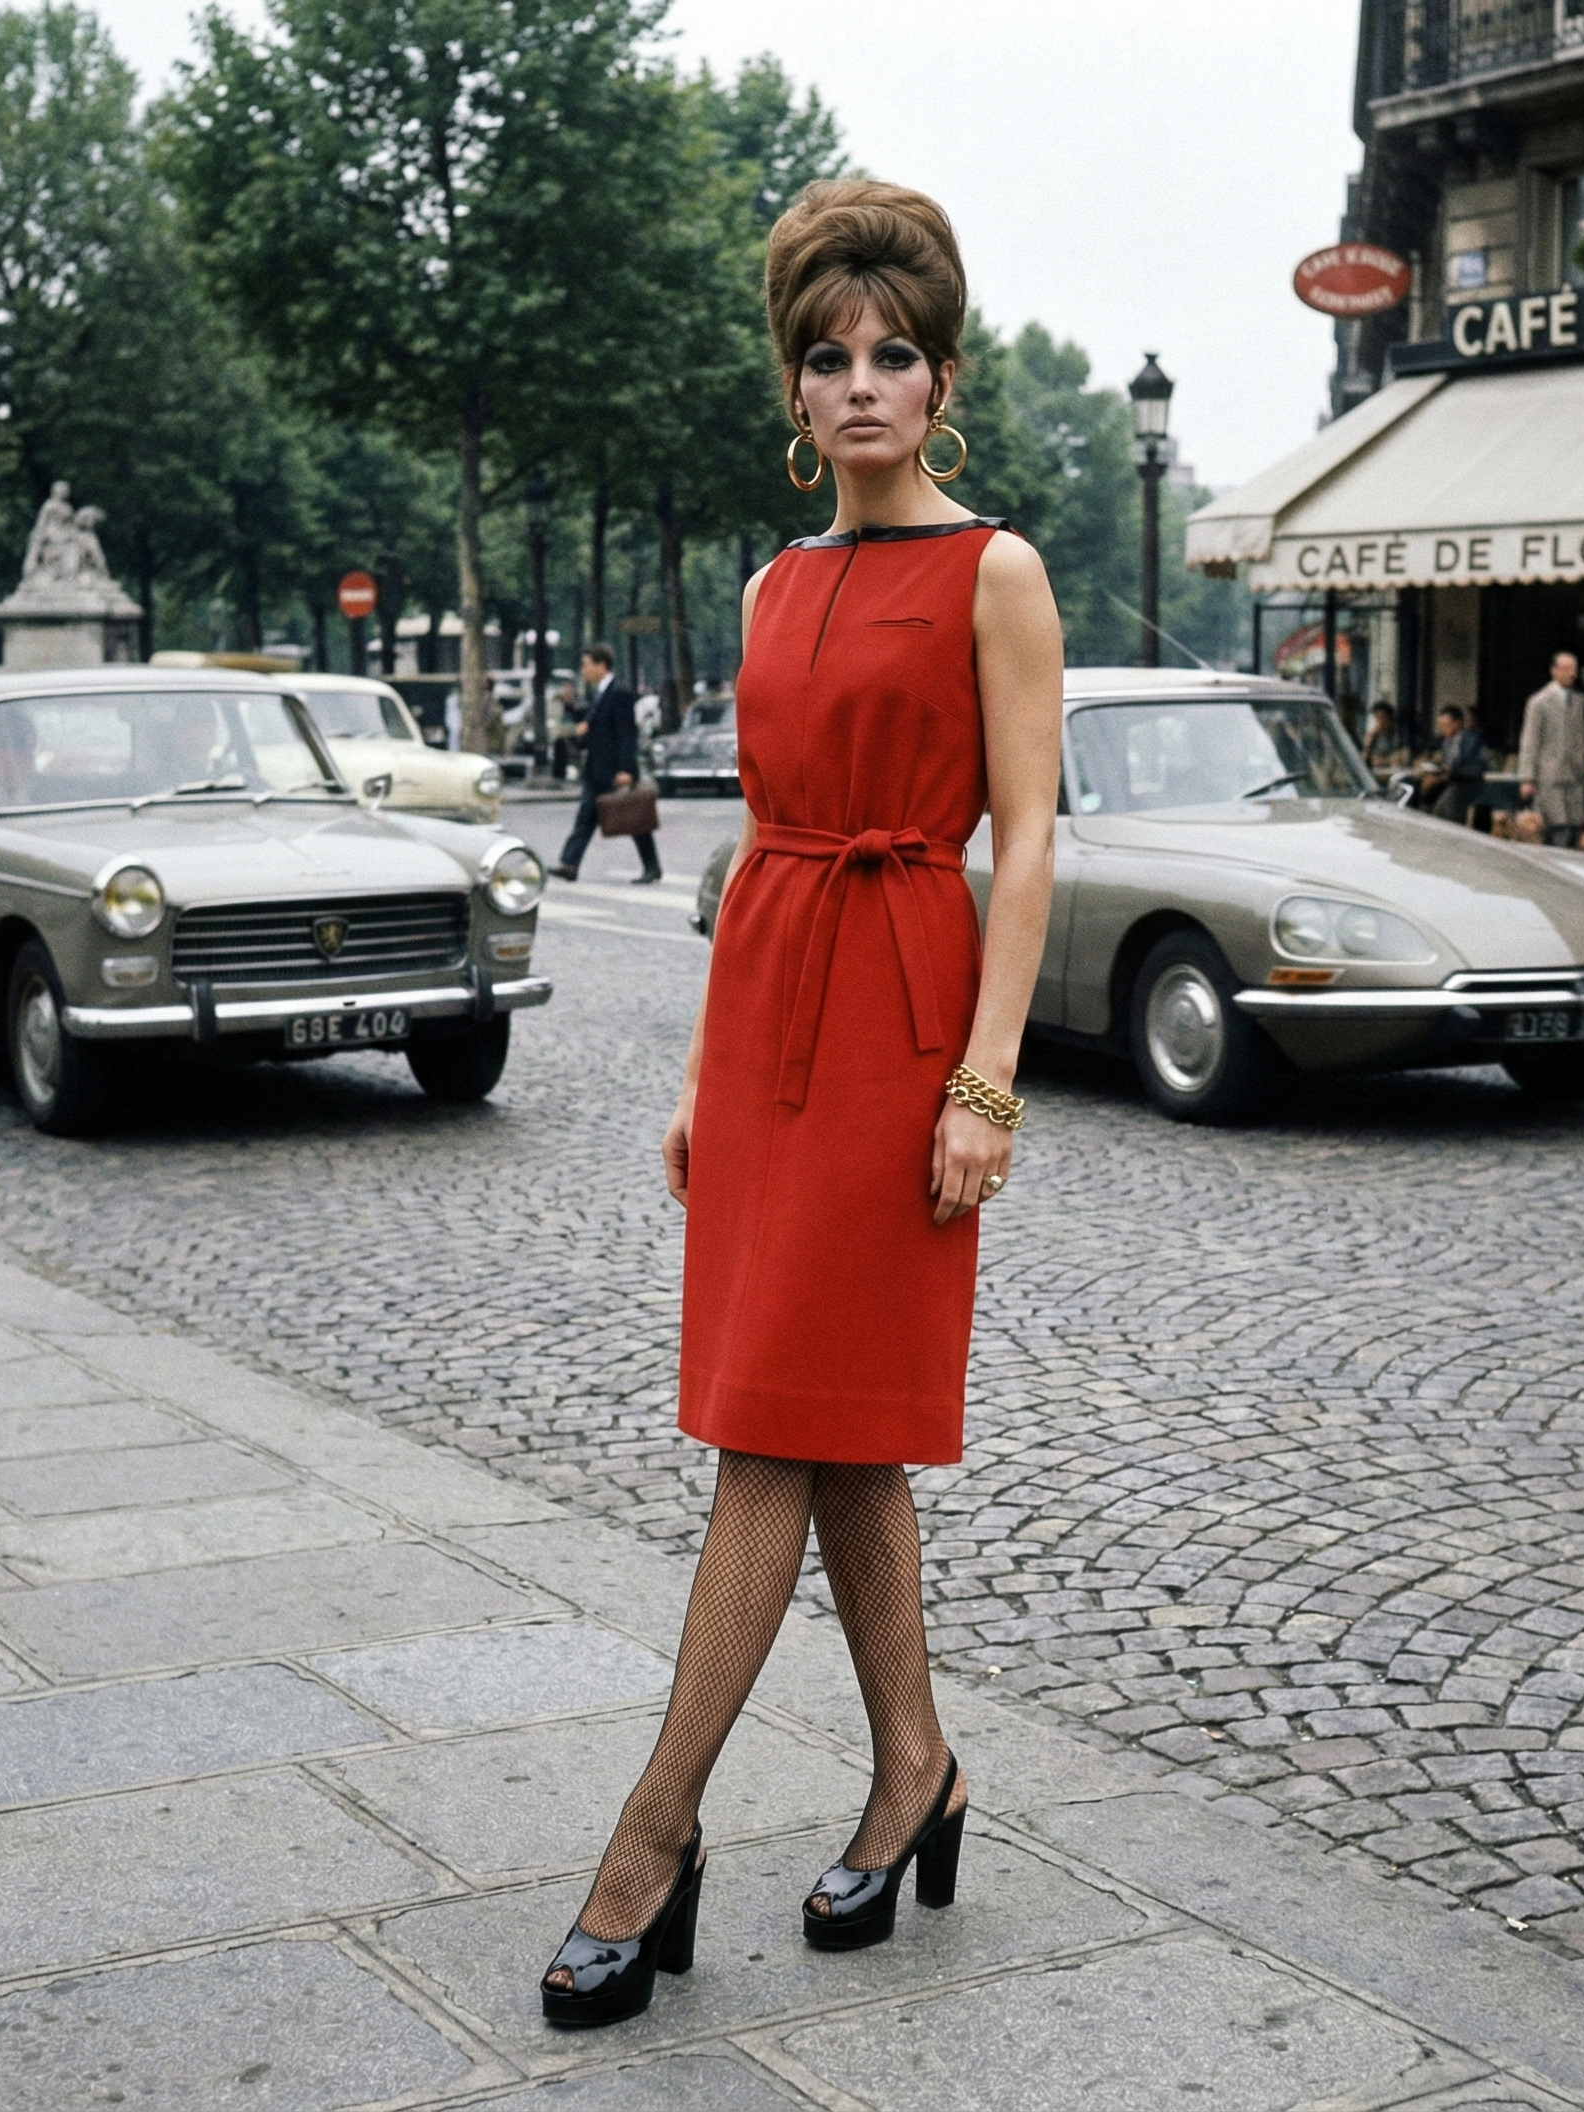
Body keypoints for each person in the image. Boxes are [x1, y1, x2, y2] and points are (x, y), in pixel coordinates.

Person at [537, 179, 1061, 2031]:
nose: (859, 386)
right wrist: (698, 1074)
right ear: (794, 385)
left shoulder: (993, 568)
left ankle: (650, 1835)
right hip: (769, 1018)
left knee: (773, 1429)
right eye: (828, 358)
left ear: (939, 380)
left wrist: (983, 1081)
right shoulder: (770, 582)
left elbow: (1030, 841)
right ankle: (915, 1766)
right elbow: (756, 837)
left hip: (908, 1014)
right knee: (830, 1426)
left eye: (891, 356)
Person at [553, 643, 659, 883]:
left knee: (634, 818)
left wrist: (626, 768)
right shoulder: (600, 692)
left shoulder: (618, 692)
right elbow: (596, 724)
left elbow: (626, 733)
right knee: (585, 818)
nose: (583, 670)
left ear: (602, 665)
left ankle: (652, 867)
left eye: (586, 665)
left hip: (612, 770)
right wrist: (572, 708)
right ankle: (569, 864)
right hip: (596, 768)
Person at [1518, 650, 1584, 847]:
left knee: (1574, 827)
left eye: (1574, 669)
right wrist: (1527, 778)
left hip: (1574, 774)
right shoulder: (1539, 702)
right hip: (1549, 774)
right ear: (1554, 671)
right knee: (1556, 827)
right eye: (1566, 669)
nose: (1571, 674)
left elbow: (1581, 736)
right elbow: (1530, 741)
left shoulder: (1578, 701)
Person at [1422, 705, 1486, 823]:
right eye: (1441, 726)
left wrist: (1449, 772)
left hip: (1468, 784)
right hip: (1450, 781)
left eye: (1446, 725)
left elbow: (1474, 769)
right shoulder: (1445, 743)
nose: (1442, 729)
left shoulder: (1472, 740)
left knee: (1446, 804)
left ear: (1457, 723)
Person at [1361, 702, 1407, 774]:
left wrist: (1384, 761)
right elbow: (1364, 759)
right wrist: (1368, 744)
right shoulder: (1372, 736)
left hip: (1392, 773)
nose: (1380, 721)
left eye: (1382, 717)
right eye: (1377, 718)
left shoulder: (1398, 736)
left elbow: (1403, 756)